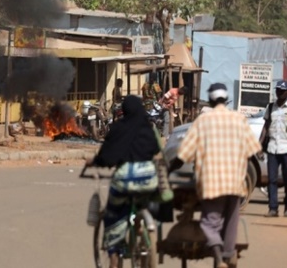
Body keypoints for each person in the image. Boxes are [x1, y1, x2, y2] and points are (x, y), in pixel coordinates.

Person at [170, 83, 261, 268]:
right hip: (236, 183)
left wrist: (167, 169)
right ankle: (228, 255)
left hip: (211, 183)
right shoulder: (239, 119)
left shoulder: (203, 121)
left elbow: (183, 155)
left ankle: (219, 257)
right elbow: (254, 152)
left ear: (210, 100)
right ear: (225, 100)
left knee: (210, 223)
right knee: (231, 223)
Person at [85, 95, 160, 268]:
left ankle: (114, 253)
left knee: (113, 215)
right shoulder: (148, 129)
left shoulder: (119, 128)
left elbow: (107, 156)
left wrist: (95, 162)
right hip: (148, 179)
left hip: (125, 179)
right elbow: (155, 150)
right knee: (144, 202)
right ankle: (140, 227)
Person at [258, 80, 287, 218]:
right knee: (271, 179)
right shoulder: (271, 107)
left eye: (282, 90)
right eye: (277, 90)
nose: (279, 93)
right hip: (273, 147)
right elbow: (266, 126)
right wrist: (259, 145)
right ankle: (273, 208)